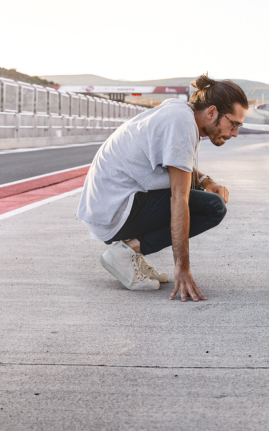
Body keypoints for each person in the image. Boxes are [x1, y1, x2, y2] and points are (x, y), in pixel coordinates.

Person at [76, 74, 249, 301]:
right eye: (234, 124)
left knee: (200, 194)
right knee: (213, 207)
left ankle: (128, 253)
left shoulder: (180, 113)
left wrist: (207, 181)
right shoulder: (182, 124)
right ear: (212, 112)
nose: (235, 132)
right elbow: (179, 199)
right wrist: (182, 268)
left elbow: (179, 165)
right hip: (114, 210)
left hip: (108, 205)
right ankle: (125, 254)